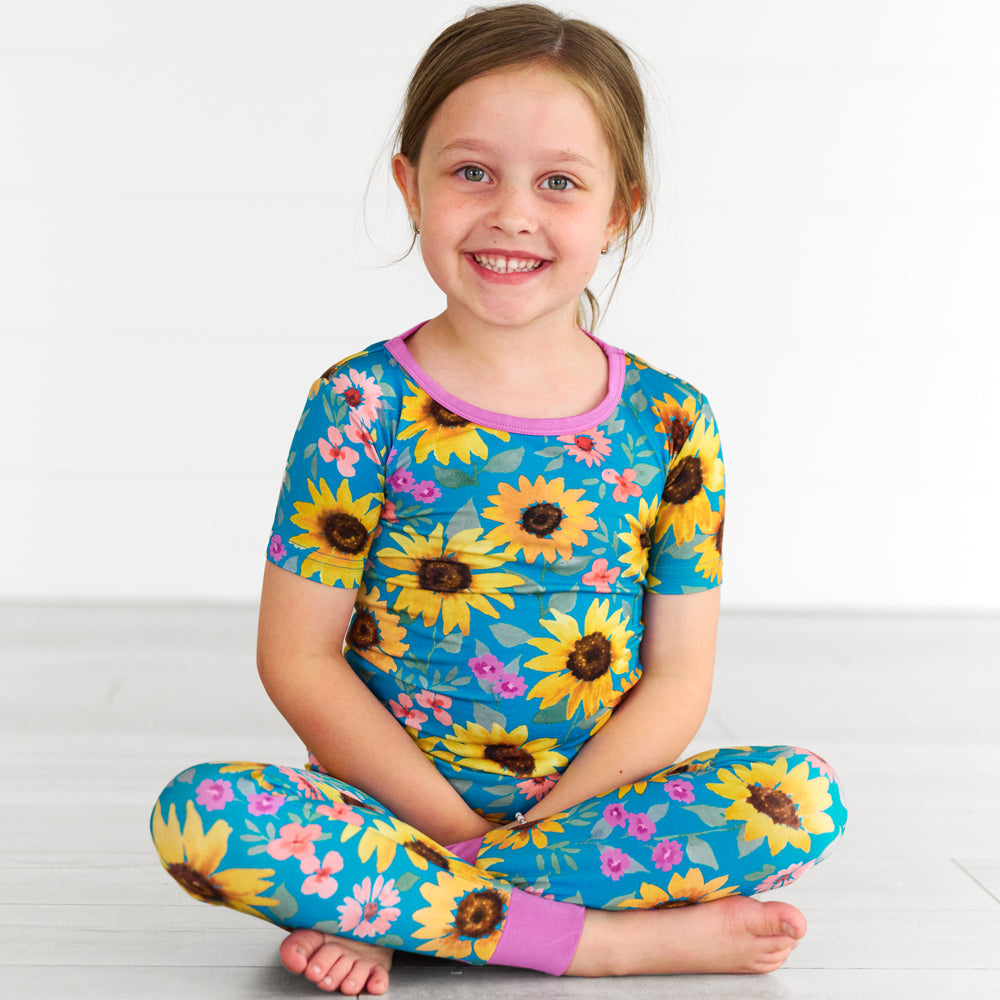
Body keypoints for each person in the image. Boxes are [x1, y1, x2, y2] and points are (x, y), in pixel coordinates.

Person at [150, 4, 846, 994]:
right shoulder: (358, 403)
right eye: (471, 172)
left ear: (618, 210)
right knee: (200, 815)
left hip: (591, 818)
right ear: (410, 185)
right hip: (384, 812)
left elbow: (678, 680)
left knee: (798, 797)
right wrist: (439, 828)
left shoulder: (673, 422)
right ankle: (606, 943)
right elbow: (296, 657)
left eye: (559, 182)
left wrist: (531, 837)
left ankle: (420, 910)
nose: (512, 212)